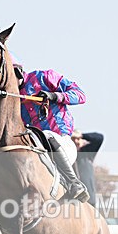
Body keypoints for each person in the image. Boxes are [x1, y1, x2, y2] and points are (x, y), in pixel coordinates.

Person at [13, 62, 89, 202]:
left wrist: (54, 96)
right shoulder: (13, 97)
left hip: (62, 143)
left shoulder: (44, 77)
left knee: (46, 135)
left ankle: (75, 183)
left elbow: (81, 95)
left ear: (17, 72)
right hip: (36, 152)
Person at [72, 130, 104, 207]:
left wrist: (82, 135)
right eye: (73, 139)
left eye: (78, 139)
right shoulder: (66, 155)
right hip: (73, 200)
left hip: (89, 198)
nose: (76, 141)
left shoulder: (87, 152)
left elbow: (99, 138)